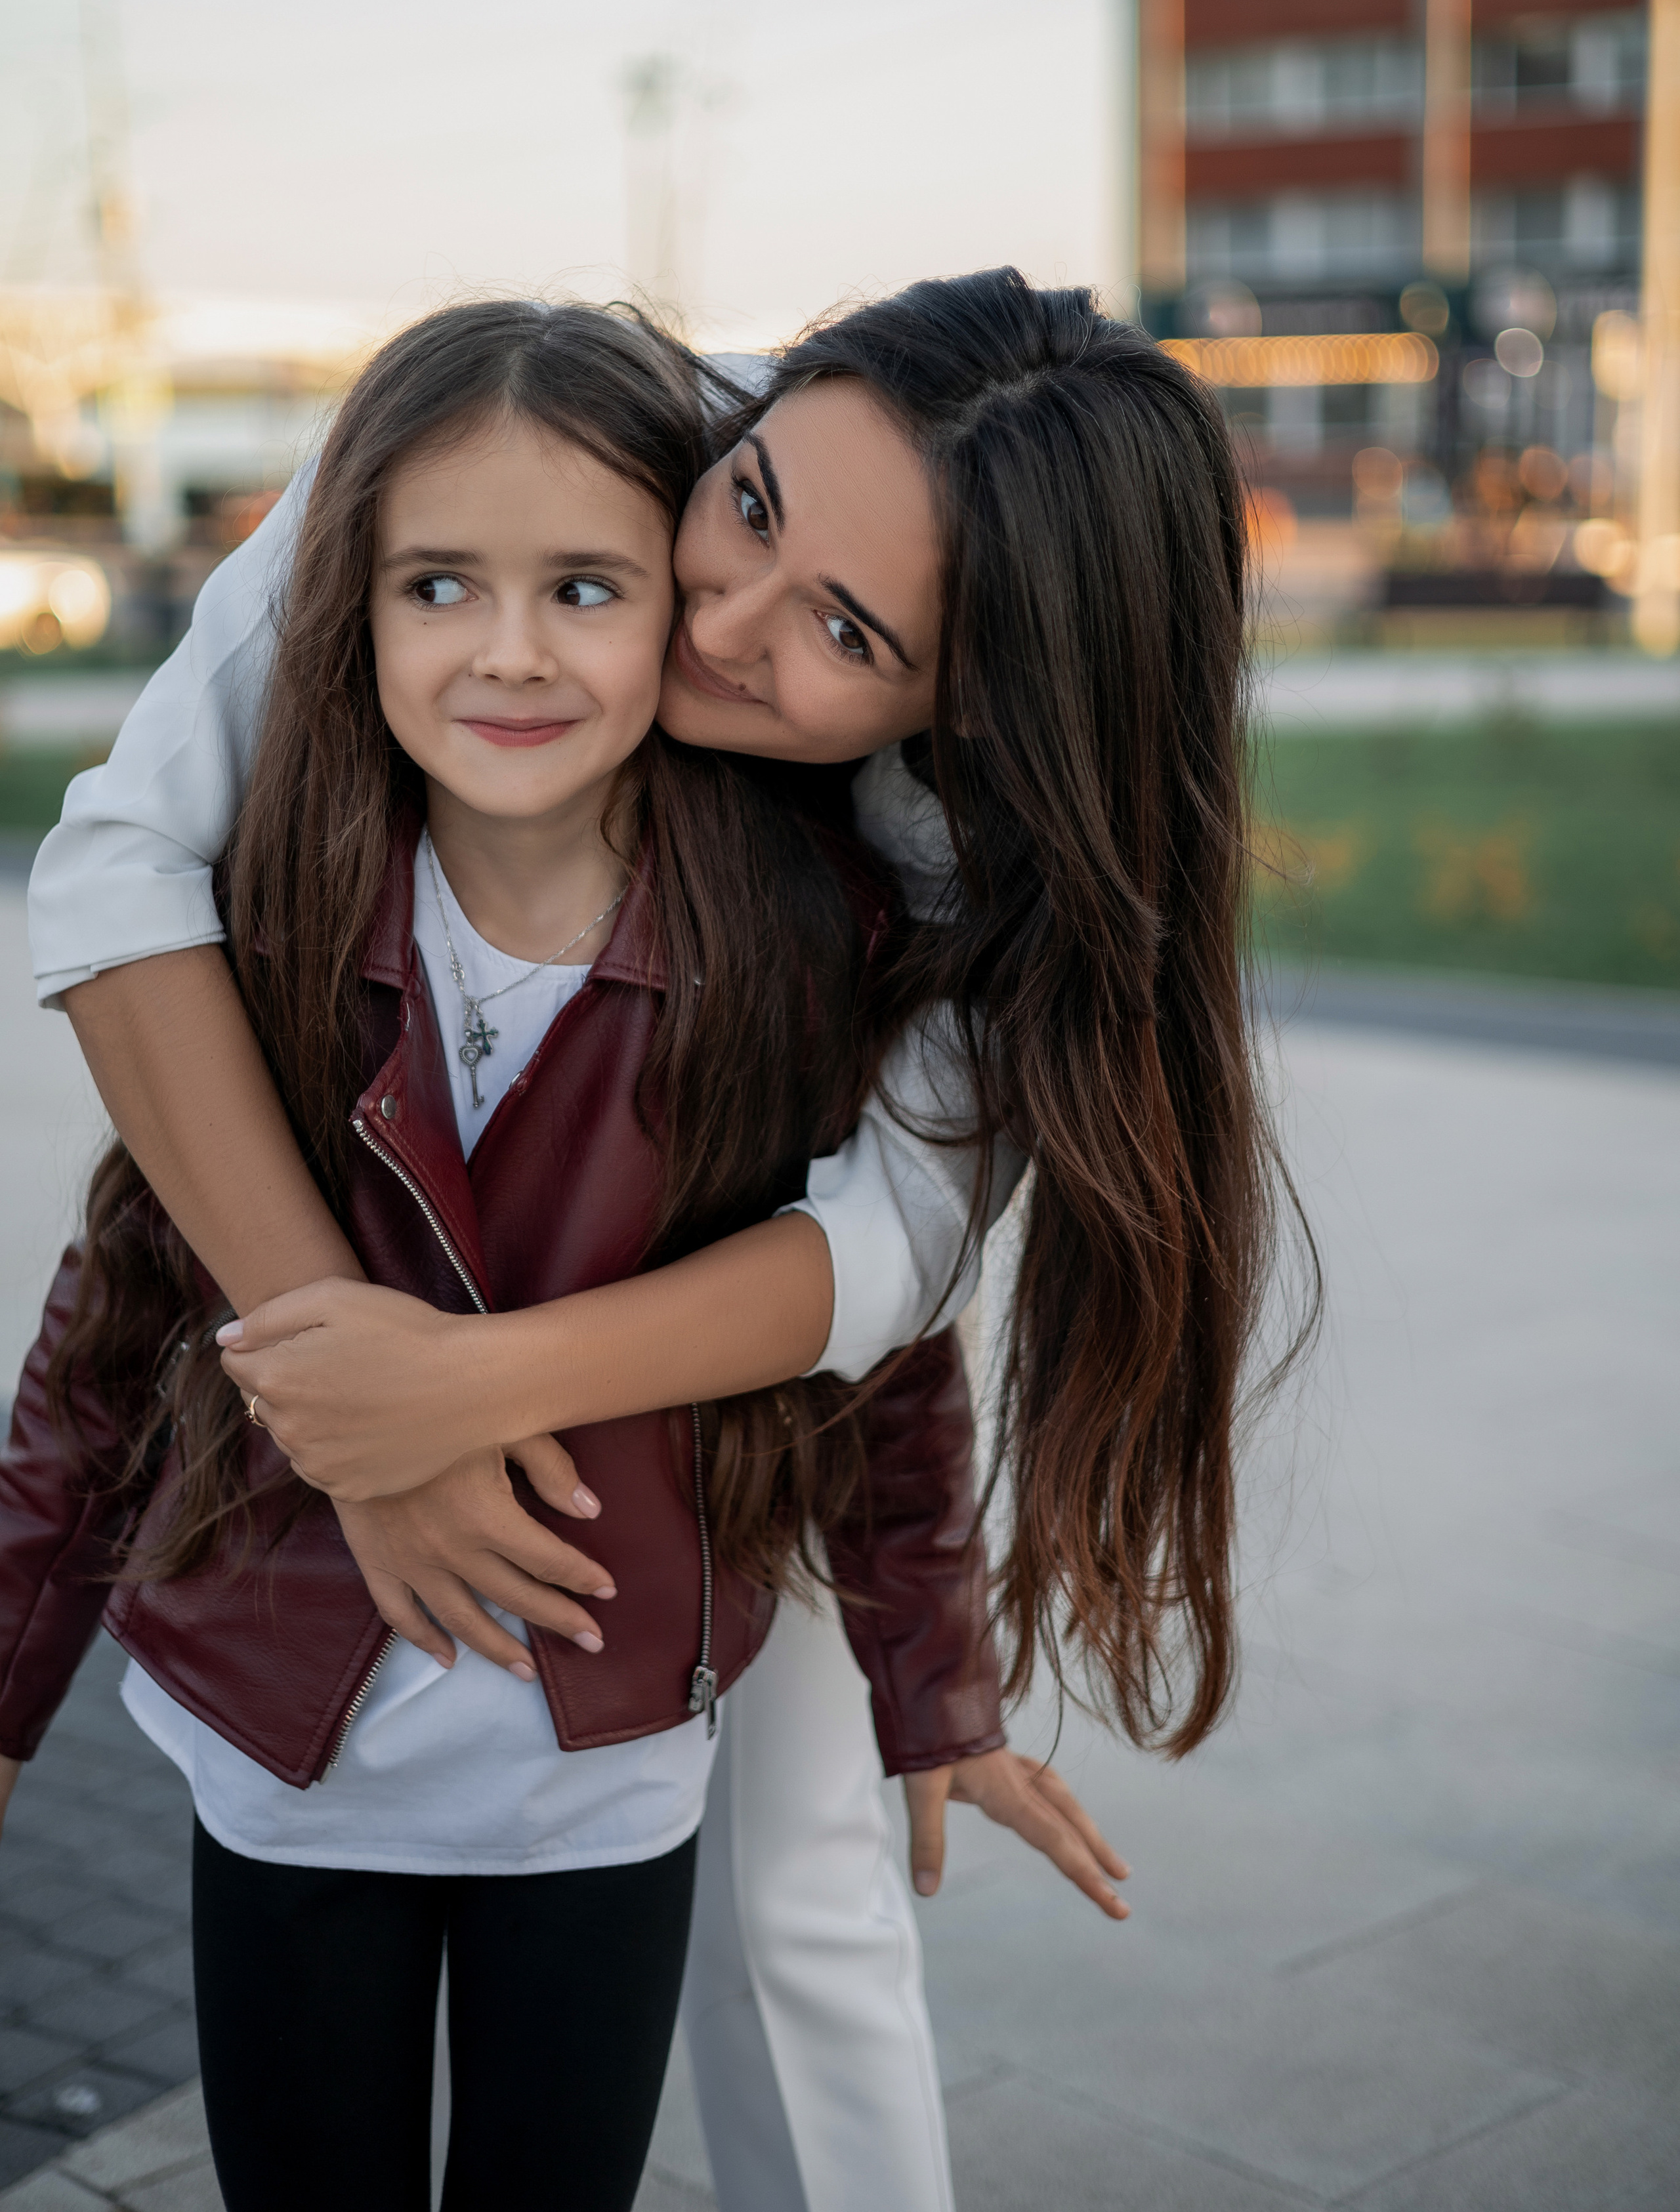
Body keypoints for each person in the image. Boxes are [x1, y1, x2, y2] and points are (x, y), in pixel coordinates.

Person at [25, 268, 1302, 2208]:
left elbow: (890, 1273)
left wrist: (919, 1674)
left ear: (965, 719)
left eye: (849, 633)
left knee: (802, 1893)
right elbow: (121, 923)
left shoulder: (888, 888)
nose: (717, 621)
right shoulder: (513, 470)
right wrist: (349, 1400)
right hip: (310, 1733)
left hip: (624, 1655)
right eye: (756, 508)